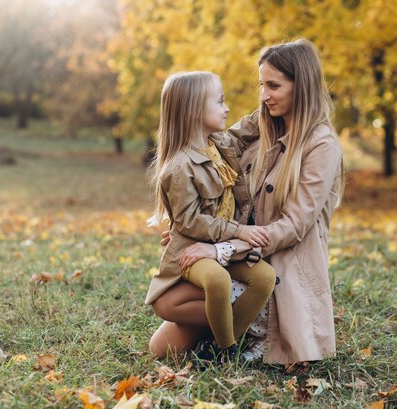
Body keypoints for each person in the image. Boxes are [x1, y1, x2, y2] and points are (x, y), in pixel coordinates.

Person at [150, 38, 344, 365]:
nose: (264, 95)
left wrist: (220, 249)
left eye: (274, 86)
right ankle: (228, 334)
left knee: (176, 321)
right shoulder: (260, 130)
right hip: (240, 261)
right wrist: (189, 231)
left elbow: (293, 226)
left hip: (276, 275)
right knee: (162, 343)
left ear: (303, 87)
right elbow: (204, 163)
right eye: (261, 85)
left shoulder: (321, 146)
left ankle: (240, 341)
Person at [144, 71, 276, 362]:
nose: (227, 108)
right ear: (194, 110)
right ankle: (227, 350)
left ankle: (219, 346)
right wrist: (239, 232)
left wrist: (269, 103)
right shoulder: (179, 167)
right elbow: (191, 222)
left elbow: (245, 129)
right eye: (219, 101)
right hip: (192, 252)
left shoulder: (218, 144)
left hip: (221, 247)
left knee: (265, 277)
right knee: (217, 280)